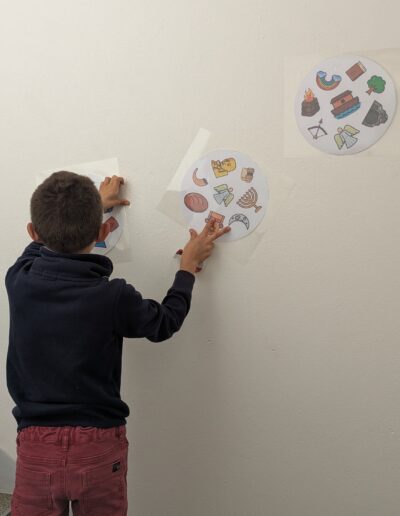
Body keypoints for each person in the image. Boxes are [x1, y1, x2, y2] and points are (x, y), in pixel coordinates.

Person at [5, 171, 230, 515]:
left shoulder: (19, 278)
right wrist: (187, 266)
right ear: (101, 233)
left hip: (37, 446)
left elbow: (39, 244)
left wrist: (95, 206)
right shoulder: (113, 296)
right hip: (98, 444)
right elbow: (164, 323)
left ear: (32, 232)